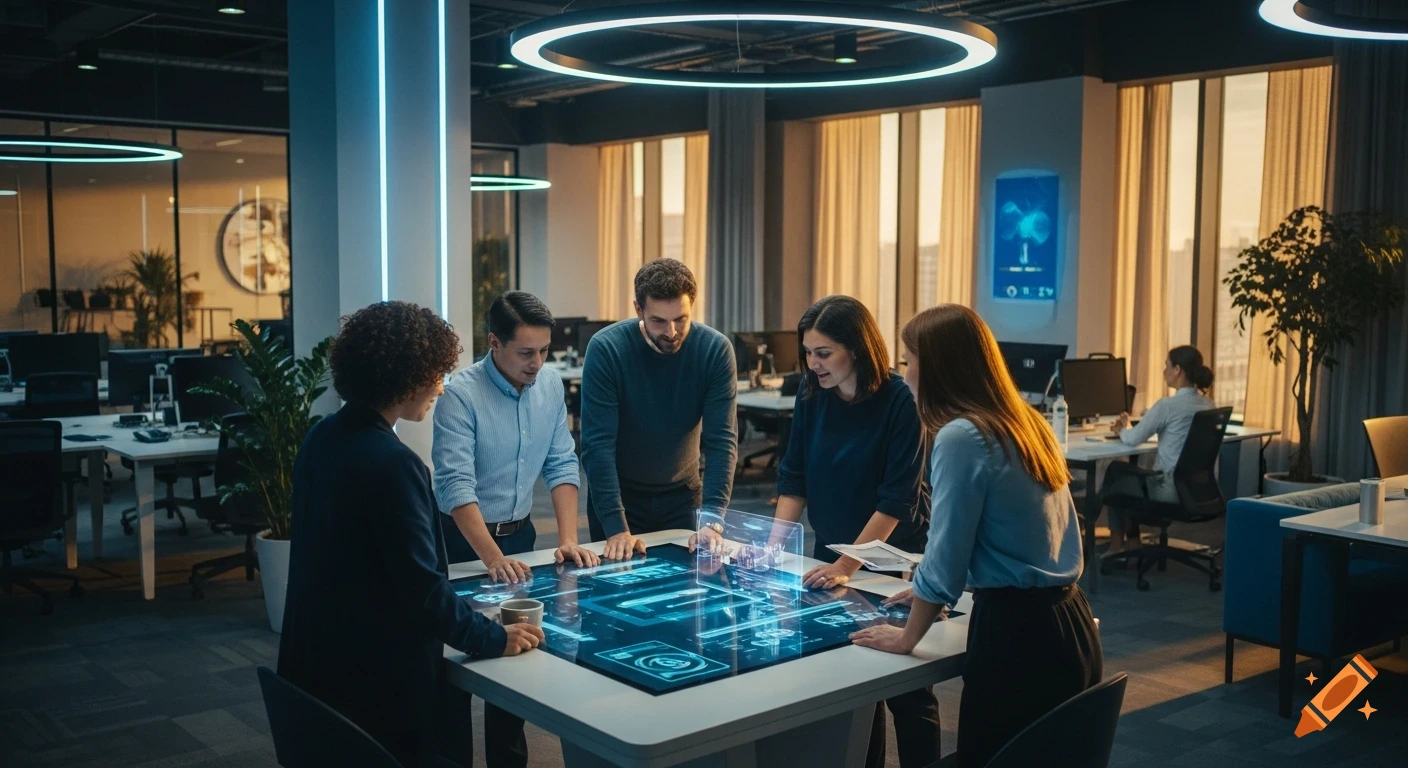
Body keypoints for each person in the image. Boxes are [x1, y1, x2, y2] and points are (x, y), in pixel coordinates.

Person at [278, 301, 544, 768]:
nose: (441, 387)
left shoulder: (320, 438)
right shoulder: (394, 465)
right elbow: (422, 592)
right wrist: (494, 638)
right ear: (406, 377)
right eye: (436, 373)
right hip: (376, 691)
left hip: (314, 677)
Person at [850, 304, 1103, 768]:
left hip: (1017, 640)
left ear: (937, 366)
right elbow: (1026, 535)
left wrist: (908, 636)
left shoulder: (961, 436)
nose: (903, 371)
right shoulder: (1026, 421)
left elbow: (947, 553)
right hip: (1069, 624)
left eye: (909, 359)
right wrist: (927, 584)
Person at [431, 291, 599, 768]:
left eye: (544, 351)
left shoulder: (549, 385)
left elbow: (562, 463)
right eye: (526, 352)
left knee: (515, 663)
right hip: (459, 543)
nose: (537, 363)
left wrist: (567, 539)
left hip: (520, 538)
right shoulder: (460, 393)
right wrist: (490, 557)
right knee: (456, 665)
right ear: (494, 343)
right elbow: (454, 486)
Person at [772, 295, 937, 768]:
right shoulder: (811, 394)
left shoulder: (900, 399)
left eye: (824, 352)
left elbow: (897, 501)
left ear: (858, 349)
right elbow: (794, 477)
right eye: (808, 351)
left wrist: (850, 564)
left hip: (890, 557)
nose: (813, 363)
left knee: (904, 683)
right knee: (850, 678)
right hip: (833, 553)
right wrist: (770, 546)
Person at [580, 258, 738, 559]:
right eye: (658, 321)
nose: (671, 331)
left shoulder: (714, 350)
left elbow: (722, 442)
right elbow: (597, 446)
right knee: (617, 592)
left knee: (685, 595)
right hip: (619, 496)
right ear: (638, 309)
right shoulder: (607, 349)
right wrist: (615, 527)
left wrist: (713, 519)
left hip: (683, 496)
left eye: (681, 319)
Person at [1102, 345, 1216, 554]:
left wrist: (1122, 428)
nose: (1164, 372)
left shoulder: (1167, 406)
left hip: (1167, 490)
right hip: (1197, 491)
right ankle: (1132, 538)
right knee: (1130, 474)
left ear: (1178, 370)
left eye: (1167, 366)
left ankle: (1117, 544)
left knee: (1115, 471)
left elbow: (1133, 439)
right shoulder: (1208, 404)